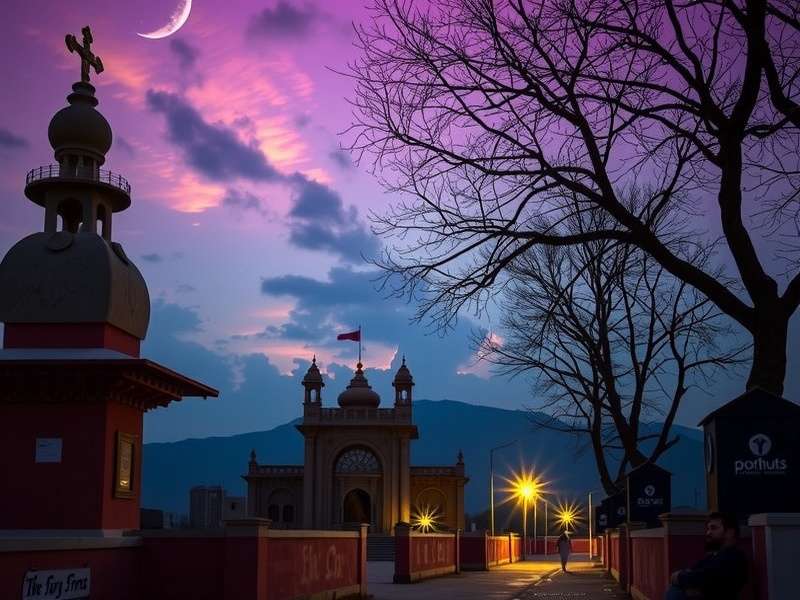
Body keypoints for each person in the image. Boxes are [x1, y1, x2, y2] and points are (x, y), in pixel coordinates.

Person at [664, 512, 748, 600]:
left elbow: (706, 577)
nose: (708, 533)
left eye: (713, 528)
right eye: (708, 529)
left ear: (729, 533)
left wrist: (681, 578)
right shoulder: (712, 556)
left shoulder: (734, 557)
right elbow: (692, 571)